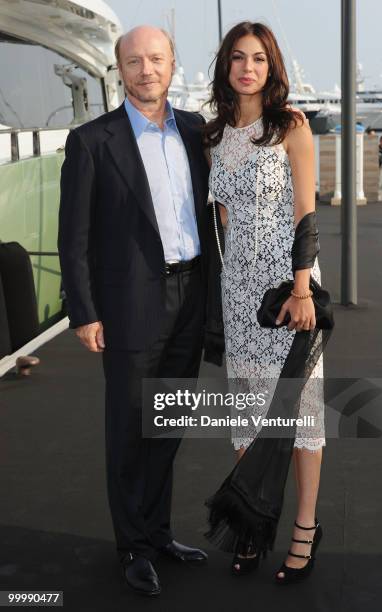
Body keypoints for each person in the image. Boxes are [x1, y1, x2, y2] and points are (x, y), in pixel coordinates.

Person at [58, 26, 213, 597]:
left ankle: (158, 531)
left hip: (192, 296)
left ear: (173, 63)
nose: (146, 70)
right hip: (128, 308)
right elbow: (72, 237)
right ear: (119, 70)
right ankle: (133, 548)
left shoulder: (197, 131)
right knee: (129, 431)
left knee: (168, 425)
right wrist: (83, 312)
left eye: (155, 59)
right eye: (133, 62)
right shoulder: (92, 141)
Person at [204, 21, 326, 584]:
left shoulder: (291, 129)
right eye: (237, 57)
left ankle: (304, 529)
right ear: (226, 67)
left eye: (257, 58)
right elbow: (224, 220)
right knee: (247, 417)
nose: (247, 67)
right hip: (240, 296)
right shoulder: (215, 136)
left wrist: (302, 290)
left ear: (271, 67)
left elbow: (306, 215)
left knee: (300, 417)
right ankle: (251, 526)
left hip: (289, 292)